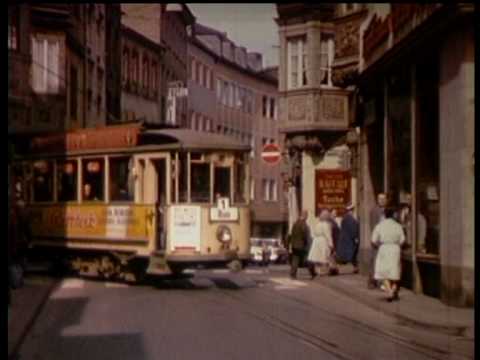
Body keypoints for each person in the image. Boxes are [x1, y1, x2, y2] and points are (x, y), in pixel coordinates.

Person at [371, 206, 406, 301]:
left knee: (383, 272)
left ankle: (389, 291)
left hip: (384, 248)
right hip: (395, 249)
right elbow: (403, 240)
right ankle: (393, 289)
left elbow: (373, 240)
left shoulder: (379, 225)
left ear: (384, 215)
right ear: (393, 215)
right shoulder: (398, 226)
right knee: (395, 271)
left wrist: (378, 246)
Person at [287, 210, 317, 280]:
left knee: (295, 259)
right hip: (302, 245)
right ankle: (313, 273)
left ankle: (293, 274)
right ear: (304, 215)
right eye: (307, 215)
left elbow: (292, 234)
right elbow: (305, 234)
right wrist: (307, 243)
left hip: (295, 245)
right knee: (308, 259)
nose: (307, 217)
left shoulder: (295, 223)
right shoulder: (303, 224)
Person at [308, 209, 337, 275]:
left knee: (317, 257)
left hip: (316, 242)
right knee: (324, 257)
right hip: (323, 242)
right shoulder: (326, 225)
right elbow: (328, 235)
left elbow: (314, 233)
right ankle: (325, 271)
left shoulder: (318, 224)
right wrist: (331, 244)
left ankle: (318, 271)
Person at [368, 193, 387, 289]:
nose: (382, 201)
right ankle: (372, 280)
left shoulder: (388, 211)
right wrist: (374, 239)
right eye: (380, 199)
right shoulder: (374, 211)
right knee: (375, 261)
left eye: (384, 199)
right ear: (377, 200)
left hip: (386, 241)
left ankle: (382, 282)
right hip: (377, 240)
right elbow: (372, 226)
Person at [337, 204, 360, 273]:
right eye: (352, 210)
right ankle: (355, 268)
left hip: (345, 239)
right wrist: (355, 237)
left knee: (349, 255)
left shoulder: (345, 218)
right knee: (350, 255)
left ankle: (355, 267)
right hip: (349, 240)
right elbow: (352, 229)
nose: (353, 211)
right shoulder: (350, 219)